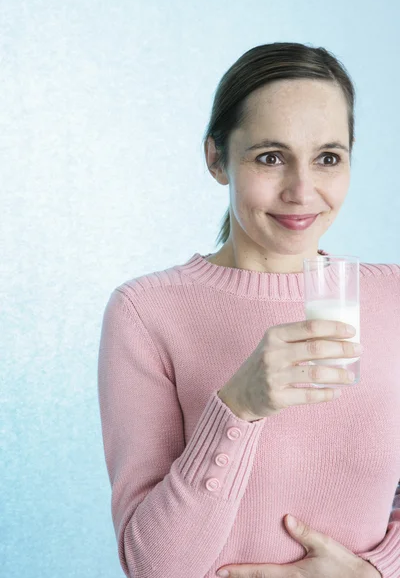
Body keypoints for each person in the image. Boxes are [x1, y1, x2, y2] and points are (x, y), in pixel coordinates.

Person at [97, 42, 400, 578]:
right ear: (216, 158)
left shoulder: (392, 297)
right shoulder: (146, 313)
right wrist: (237, 408)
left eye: (327, 158)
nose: (302, 191)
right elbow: (153, 567)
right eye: (270, 157)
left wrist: (375, 571)